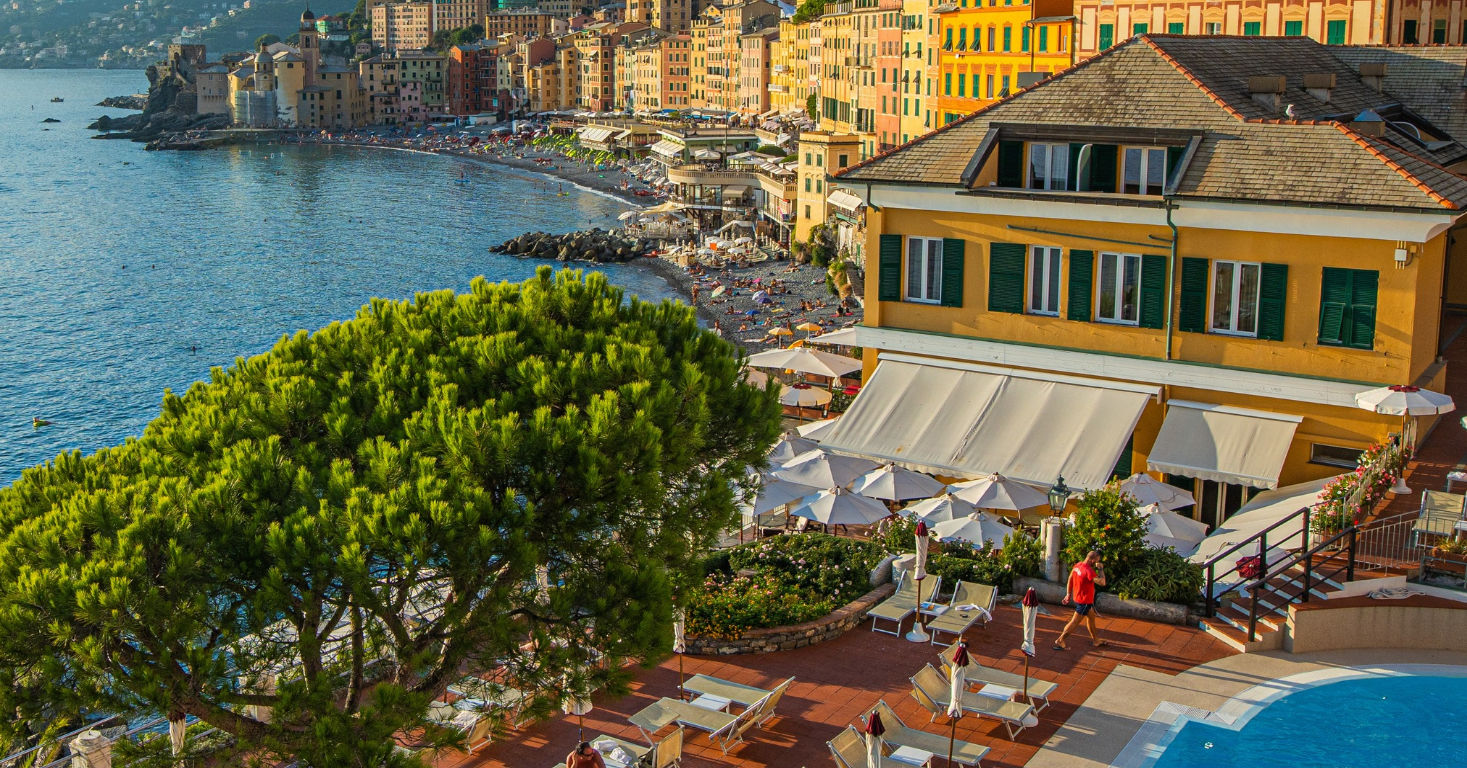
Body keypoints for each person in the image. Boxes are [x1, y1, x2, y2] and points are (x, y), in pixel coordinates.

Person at [1054, 550, 1108, 650]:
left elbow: (1070, 578)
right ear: (1093, 560)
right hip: (1085, 602)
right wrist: (1100, 569)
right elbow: (1102, 582)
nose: (1096, 563)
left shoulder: (1077, 566)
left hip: (1079, 598)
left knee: (1091, 618)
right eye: (1097, 560)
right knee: (1074, 622)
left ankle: (1096, 640)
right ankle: (1060, 639)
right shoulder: (1089, 571)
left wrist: (1068, 594)